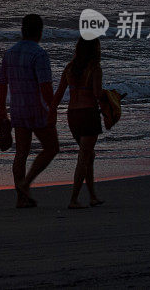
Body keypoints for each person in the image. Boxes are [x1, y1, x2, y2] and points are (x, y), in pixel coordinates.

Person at [0, 14, 60, 208]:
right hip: (37, 109)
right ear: (40, 31)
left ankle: (21, 198)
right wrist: (53, 108)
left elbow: (2, 85)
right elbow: (46, 88)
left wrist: (2, 110)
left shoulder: (10, 53)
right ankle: (25, 183)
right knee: (51, 147)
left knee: (21, 153)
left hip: (18, 109)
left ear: (23, 30)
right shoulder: (39, 54)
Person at [51, 37, 105, 209]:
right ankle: (74, 199)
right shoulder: (95, 68)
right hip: (89, 113)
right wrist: (111, 99)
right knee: (84, 157)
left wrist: (50, 113)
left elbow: (58, 94)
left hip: (72, 115)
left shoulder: (69, 68)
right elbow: (97, 94)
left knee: (89, 155)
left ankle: (93, 196)